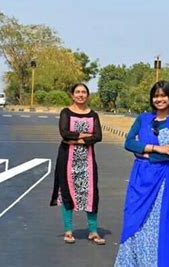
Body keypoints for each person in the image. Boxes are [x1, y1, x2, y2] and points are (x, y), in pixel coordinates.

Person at [114, 80, 169, 267]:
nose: (159, 99)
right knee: (133, 221)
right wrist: (155, 148)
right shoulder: (143, 119)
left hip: (162, 182)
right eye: (156, 96)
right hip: (139, 180)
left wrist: (144, 154)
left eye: (163, 95)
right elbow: (128, 143)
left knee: (159, 224)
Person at [50, 83, 105, 245]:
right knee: (67, 192)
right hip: (67, 159)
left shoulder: (93, 115)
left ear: (87, 96)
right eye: (77, 92)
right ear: (72, 95)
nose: (81, 95)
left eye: (84, 92)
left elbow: (98, 136)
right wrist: (85, 135)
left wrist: (76, 138)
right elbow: (64, 133)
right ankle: (68, 231)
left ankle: (93, 231)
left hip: (87, 161)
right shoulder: (66, 112)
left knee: (91, 193)